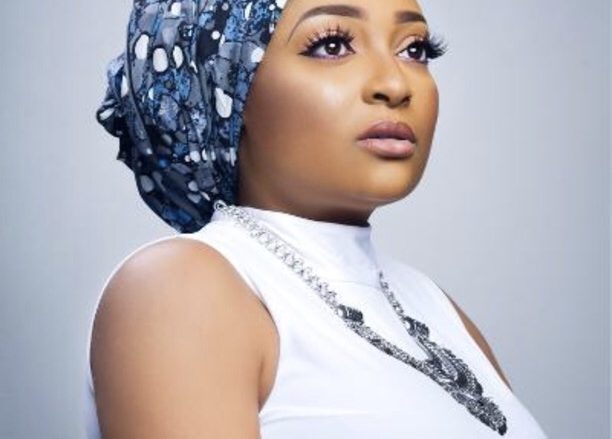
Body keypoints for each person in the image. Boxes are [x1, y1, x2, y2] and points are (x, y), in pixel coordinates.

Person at [83, 0, 550, 438]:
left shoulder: (433, 306)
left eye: (415, 49)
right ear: (222, 81)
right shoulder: (180, 287)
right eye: (332, 44)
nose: (395, 84)